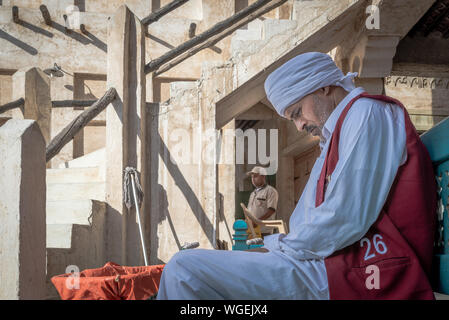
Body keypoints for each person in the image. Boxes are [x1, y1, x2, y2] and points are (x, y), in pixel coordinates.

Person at [156, 52, 436, 300]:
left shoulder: (368, 114)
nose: (300, 125)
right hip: (334, 261)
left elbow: (345, 217)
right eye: (293, 118)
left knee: (184, 270)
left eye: (298, 113)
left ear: (324, 87)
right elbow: (305, 219)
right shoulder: (333, 138)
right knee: (193, 271)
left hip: (366, 269)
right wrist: (276, 248)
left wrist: (275, 247)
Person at [246, 166, 279, 238]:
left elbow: (271, 210)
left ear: (263, 176)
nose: (253, 179)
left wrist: (257, 222)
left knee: (263, 249)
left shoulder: (270, 191)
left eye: (255, 176)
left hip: (264, 232)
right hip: (251, 231)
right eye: (252, 177)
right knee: (252, 248)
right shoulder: (253, 193)